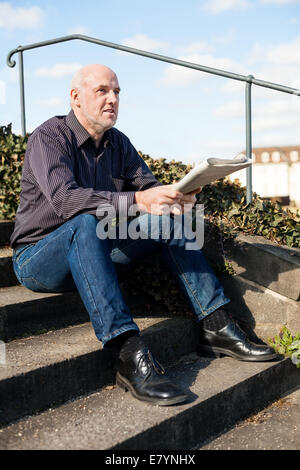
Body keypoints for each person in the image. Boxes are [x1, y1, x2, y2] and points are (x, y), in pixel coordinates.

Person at [11, 64, 277, 406]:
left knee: (169, 220)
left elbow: (148, 189)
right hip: (39, 258)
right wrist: (139, 200)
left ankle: (216, 325)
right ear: (76, 97)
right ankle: (126, 351)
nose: (112, 99)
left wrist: (177, 197)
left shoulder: (118, 143)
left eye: (117, 92)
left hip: (99, 247)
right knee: (83, 222)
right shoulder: (49, 137)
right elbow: (65, 201)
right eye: (103, 91)